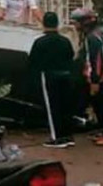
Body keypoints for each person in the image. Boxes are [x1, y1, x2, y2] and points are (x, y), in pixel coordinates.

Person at [71, 8, 103, 146]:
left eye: (76, 22)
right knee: (98, 106)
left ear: (84, 23)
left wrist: (95, 81)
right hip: (97, 79)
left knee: (102, 106)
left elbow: (98, 61)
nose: (74, 26)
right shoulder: (95, 35)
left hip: (96, 79)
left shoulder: (92, 38)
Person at [29, 12, 75, 148]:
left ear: (43, 24)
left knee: (52, 107)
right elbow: (71, 56)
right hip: (66, 75)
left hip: (49, 76)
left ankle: (57, 138)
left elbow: (33, 61)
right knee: (66, 106)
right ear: (57, 24)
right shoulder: (65, 41)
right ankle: (68, 136)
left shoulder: (40, 42)